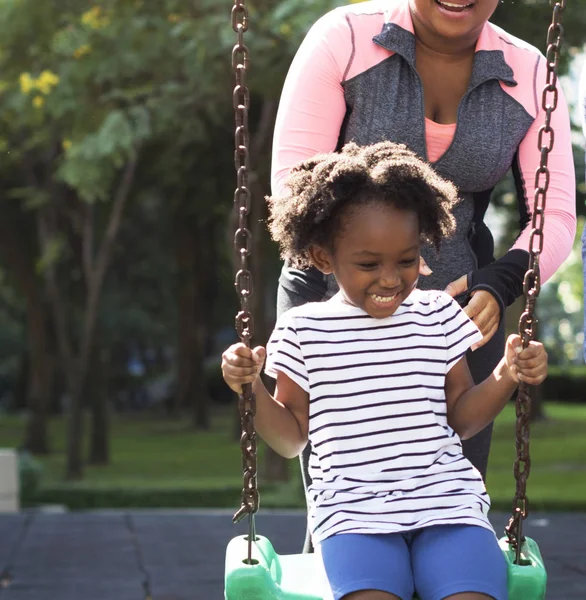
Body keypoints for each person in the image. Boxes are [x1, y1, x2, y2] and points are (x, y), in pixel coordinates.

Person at [271, 0, 576, 517]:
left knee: (450, 502)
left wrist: (499, 283)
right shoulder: (344, 39)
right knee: (347, 505)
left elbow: (557, 216)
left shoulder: (528, 71)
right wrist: (389, 264)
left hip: (458, 321)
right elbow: (293, 190)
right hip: (334, 306)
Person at [222, 141, 548, 600]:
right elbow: (292, 439)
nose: (391, 279)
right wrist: (250, 387)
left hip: (447, 506)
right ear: (322, 258)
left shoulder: (436, 314)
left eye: (407, 260)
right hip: (354, 515)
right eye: (368, 264)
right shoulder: (303, 330)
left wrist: (507, 374)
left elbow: (463, 417)